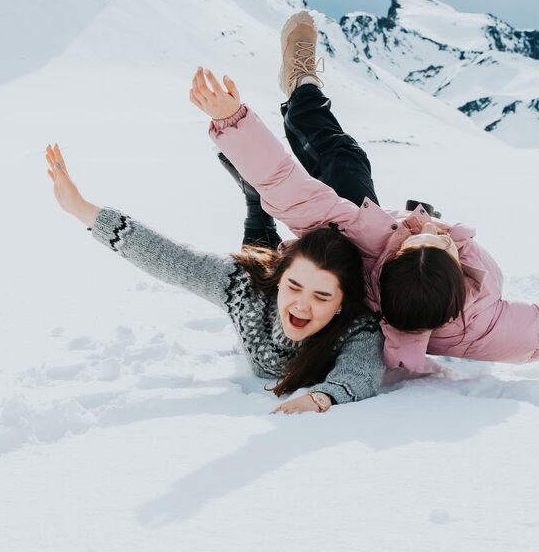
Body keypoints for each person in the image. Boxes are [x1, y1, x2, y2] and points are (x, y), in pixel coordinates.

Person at [195, 11, 539, 377]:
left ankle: (300, 89)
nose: (430, 229)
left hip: (334, 253)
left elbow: (291, 188)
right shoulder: (486, 325)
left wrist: (232, 121)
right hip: (368, 251)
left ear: (387, 262)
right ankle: (295, 99)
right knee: (347, 165)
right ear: (461, 275)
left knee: (320, 180)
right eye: (439, 238)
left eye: (422, 238)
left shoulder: (368, 247)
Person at [43, 143, 384, 413]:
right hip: (264, 272)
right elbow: (172, 258)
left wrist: (323, 397)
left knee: (259, 241)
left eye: (322, 297)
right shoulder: (245, 290)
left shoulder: (356, 326)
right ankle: (257, 200)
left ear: (342, 302)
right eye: (294, 286)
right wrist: (84, 210)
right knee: (256, 252)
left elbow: (361, 371)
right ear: (280, 278)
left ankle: (256, 199)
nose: (303, 304)